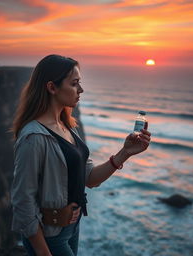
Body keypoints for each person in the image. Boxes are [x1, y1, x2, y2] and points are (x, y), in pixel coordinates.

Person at [10, 54, 151, 256]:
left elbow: (90, 179)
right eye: (74, 84)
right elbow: (22, 201)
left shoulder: (68, 127)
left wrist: (125, 152)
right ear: (52, 87)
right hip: (49, 237)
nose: (81, 90)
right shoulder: (33, 138)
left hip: (71, 229)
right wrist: (44, 253)